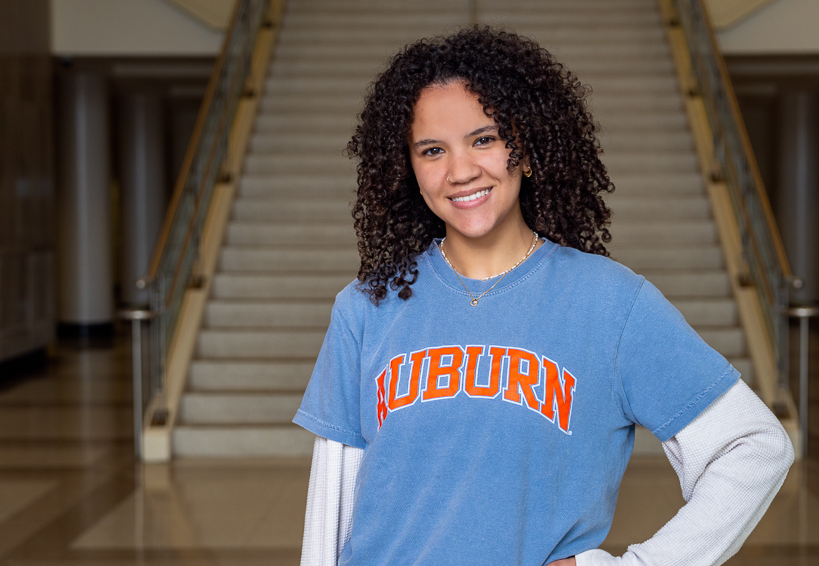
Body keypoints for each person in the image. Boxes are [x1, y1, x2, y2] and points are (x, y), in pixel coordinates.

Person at [293, 26, 793, 566]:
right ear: (409, 170)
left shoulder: (611, 304)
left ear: (526, 149)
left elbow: (754, 446)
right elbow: (331, 508)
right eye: (433, 150)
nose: (461, 171)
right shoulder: (365, 306)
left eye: (484, 140)